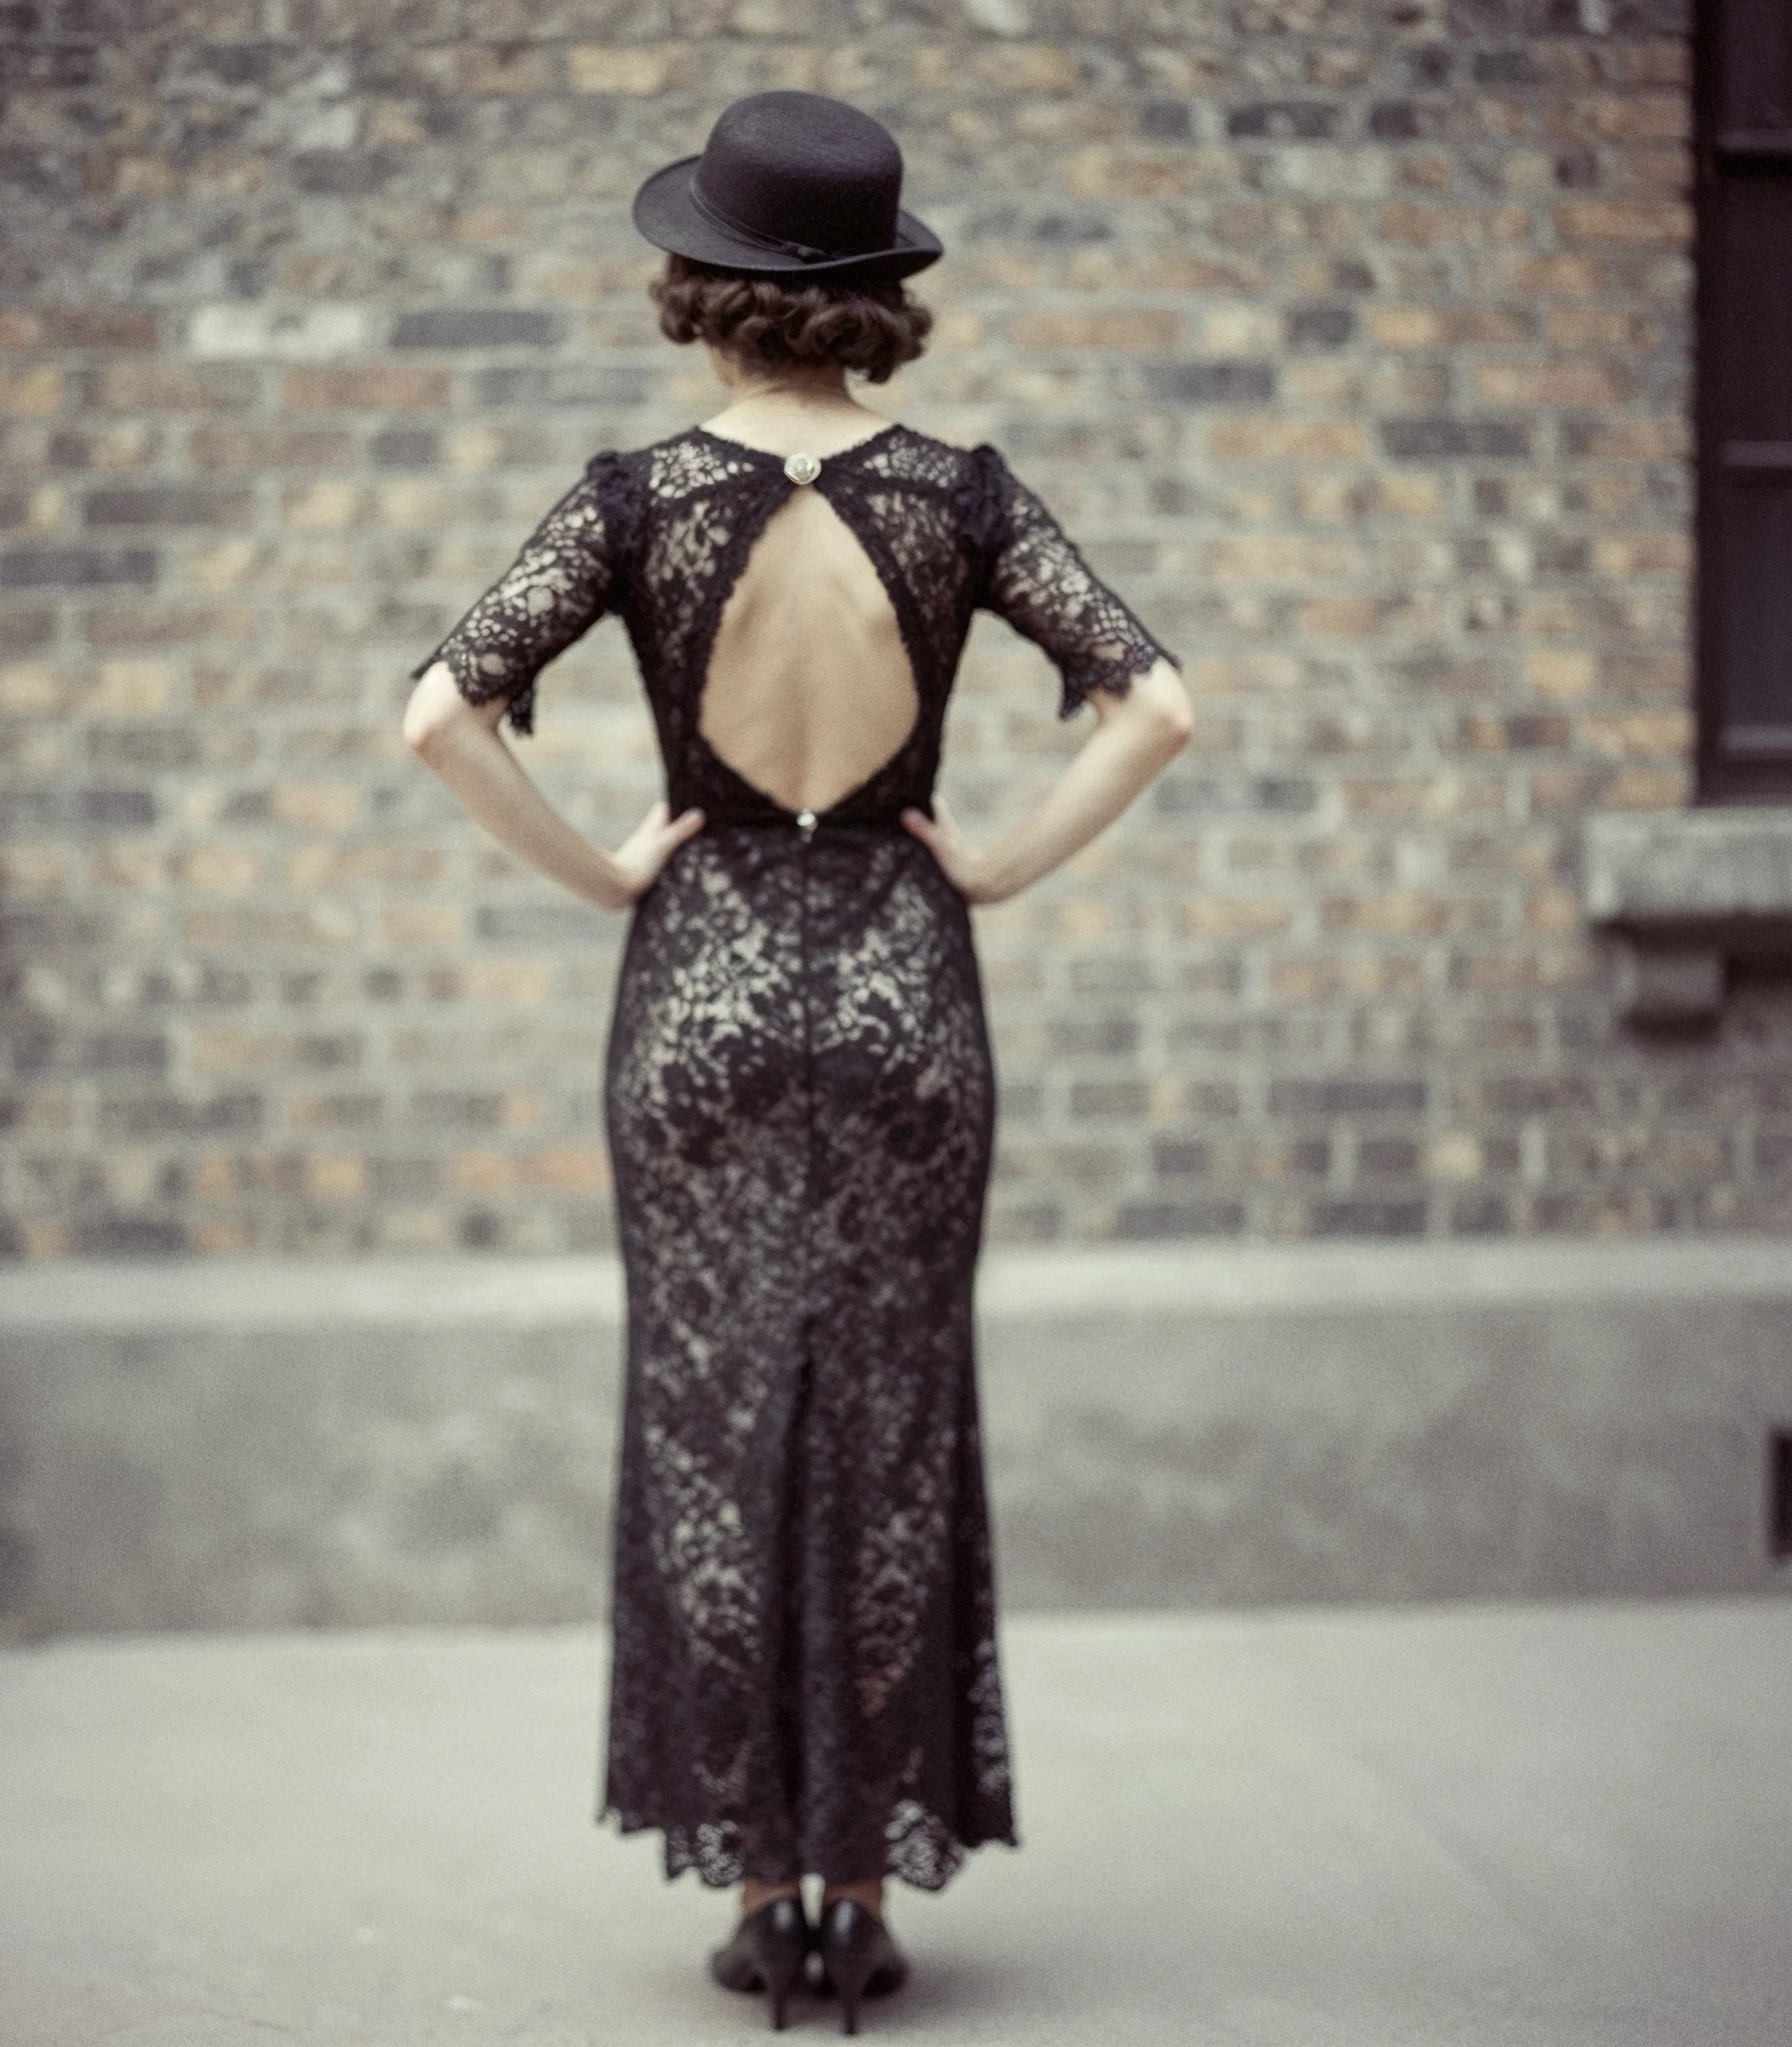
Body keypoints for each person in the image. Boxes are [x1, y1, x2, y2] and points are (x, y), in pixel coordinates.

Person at [402, 90, 1192, 2036]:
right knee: (890, 1427)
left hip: (704, 987)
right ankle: (864, 1888)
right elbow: (1156, 701)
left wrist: (602, 870)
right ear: (872, 297)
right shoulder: (961, 496)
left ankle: (763, 1901)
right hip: (908, 988)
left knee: (716, 1430)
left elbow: (439, 711)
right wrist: (993, 857)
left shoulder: (633, 498)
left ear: (706, 290)